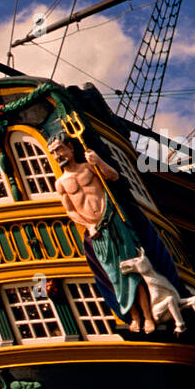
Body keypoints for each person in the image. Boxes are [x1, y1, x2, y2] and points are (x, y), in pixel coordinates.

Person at [50, 134, 156, 332]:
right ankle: (134, 316)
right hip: (96, 231)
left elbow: (113, 176)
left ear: (71, 148)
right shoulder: (61, 183)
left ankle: (148, 317)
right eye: (54, 153)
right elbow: (71, 211)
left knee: (133, 270)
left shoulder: (89, 167)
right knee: (116, 276)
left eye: (60, 149)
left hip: (114, 220)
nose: (58, 155)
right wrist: (88, 226)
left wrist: (98, 161)